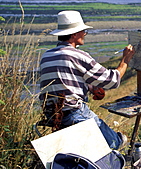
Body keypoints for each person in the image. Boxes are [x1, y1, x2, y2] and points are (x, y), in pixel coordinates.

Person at [39, 10, 135, 150]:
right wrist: (126, 59)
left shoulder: (46, 55)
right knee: (116, 142)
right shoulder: (78, 55)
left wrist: (90, 87)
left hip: (50, 115)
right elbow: (112, 79)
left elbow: (64, 80)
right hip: (73, 114)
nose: (84, 34)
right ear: (74, 34)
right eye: (83, 31)